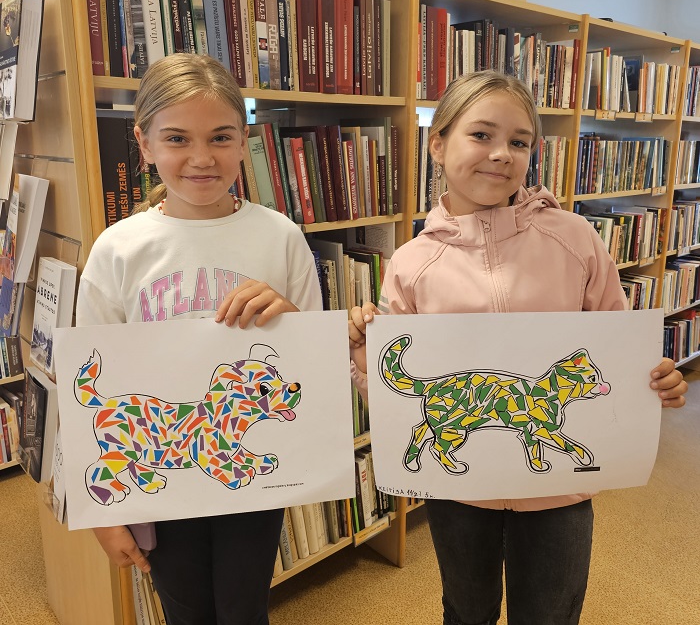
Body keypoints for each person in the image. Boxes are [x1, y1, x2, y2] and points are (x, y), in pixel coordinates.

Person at [347, 70, 688, 625]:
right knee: (466, 609)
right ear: (438, 144)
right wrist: (365, 353)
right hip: (461, 493)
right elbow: (397, 394)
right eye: (481, 134)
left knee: (552, 612)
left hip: (559, 495)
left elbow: (618, 348)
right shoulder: (412, 262)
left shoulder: (575, 238)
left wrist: (655, 382)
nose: (502, 153)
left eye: (520, 142)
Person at [76, 53, 322, 625]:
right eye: (177, 138)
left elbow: (316, 366)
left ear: (244, 140)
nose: (202, 157)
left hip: (247, 475)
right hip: (161, 470)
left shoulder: (281, 237)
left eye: (220, 137)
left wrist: (289, 321)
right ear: (144, 143)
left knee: (245, 607)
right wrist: (101, 512)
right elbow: (87, 374)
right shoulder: (118, 249)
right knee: (184, 609)